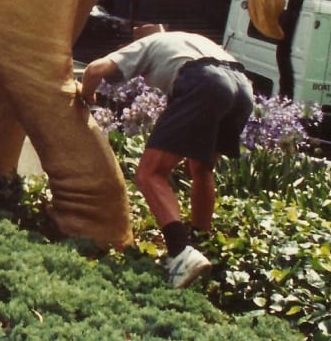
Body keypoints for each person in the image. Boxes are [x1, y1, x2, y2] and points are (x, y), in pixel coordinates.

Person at [81, 23, 253, 289]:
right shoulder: (189, 36)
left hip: (203, 81)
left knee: (149, 174)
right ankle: (200, 244)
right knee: (202, 170)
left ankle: (181, 252)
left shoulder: (147, 44)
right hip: (242, 88)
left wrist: (87, 95)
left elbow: (95, 69)